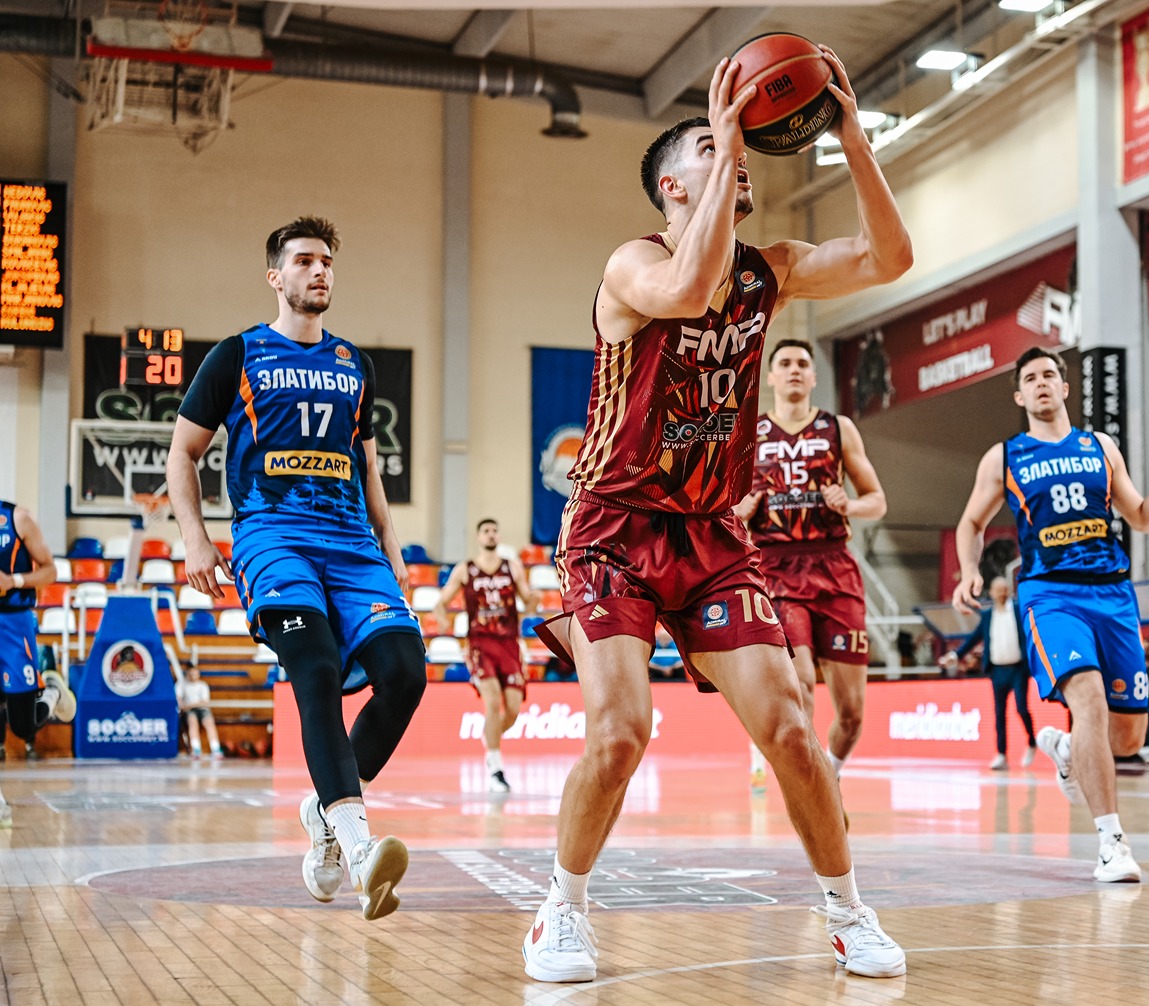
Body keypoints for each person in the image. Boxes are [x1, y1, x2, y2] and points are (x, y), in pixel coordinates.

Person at [525, 50, 912, 983]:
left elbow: (891, 259)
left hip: (711, 535)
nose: (732, 151)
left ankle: (847, 911)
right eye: (709, 145)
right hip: (613, 527)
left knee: (792, 733)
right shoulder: (634, 263)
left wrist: (853, 140)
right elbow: (688, 293)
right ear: (672, 186)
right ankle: (561, 911)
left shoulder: (770, 271)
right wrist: (733, 132)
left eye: (732, 143)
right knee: (621, 733)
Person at [168, 216, 426, 921]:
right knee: (314, 666)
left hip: (352, 544)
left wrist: (393, 546)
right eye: (305, 261)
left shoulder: (355, 364)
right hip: (272, 536)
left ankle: (324, 810)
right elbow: (182, 452)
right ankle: (360, 847)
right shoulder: (237, 354)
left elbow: (368, 467)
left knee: (406, 672)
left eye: (327, 262)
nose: (319, 271)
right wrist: (195, 538)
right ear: (275, 276)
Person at [951, 345, 1149, 883]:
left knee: (1128, 738)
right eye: (1031, 378)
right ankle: (1112, 845)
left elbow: (1140, 516)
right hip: (1051, 595)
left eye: (1049, 375)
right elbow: (971, 522)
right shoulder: (1005, 456)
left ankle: (1067, 749)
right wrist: (969, 570)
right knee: (1087, 699)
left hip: (1112, 593)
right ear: (1020, 396)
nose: (1041, 383)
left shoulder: (1100, 446)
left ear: (1065, 388)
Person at [736, 338, 886, 789]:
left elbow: (877, 501)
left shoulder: (838, 428)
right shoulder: (749, 431)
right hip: (776, 569)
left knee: (852, 714)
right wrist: (738, 511)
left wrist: (849, 505)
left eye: (803, 363)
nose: (795, 370)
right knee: (800, 682)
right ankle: (812, 788)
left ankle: (829, 777)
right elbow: (717, 507)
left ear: (814, 376)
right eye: (785, 363)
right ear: (771, 376)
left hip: (834, 564)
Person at [433, 519, 536, 792]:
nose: (491, 535)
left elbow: (528, 601)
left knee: (513, 709)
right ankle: (495, 768)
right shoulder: (466, 569)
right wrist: (443, 621)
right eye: (486, 531)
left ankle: (491, 738)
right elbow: (440, 603)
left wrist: (534, 600)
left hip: (509, 643)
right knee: (492, 702)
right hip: (480, 643)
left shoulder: (511, 567)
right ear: (478, 537)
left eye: (494, 531)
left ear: (499, 536)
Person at [0, 498, 73, 770]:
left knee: (23, 726)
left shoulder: (17, 518)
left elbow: (50, 571)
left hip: (13, 623)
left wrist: (14, 581)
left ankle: (52, 691)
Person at [938, 575, 1036, 770]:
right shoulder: (988, 615)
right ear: (991, 593)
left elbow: (1031, 634)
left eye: (1005, 589)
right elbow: (973, 639)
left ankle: (1032, 741)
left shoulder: (1018, 610)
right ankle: (1001, 754)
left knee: (1021, 708)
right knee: (999, 713)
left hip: (1018, 668)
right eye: (998, 589)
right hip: (997, 670)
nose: (1002, 593)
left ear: (1009, 590)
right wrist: (955, 655)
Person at [176, 664, 224, 759]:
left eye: (195, 673)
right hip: (189, 711)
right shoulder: (181, 684)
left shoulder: (203, 685)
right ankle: (196, 749)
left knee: (209, 723)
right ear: (187, 674)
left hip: (202, 709)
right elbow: (179, 699)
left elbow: (204, 702)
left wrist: (189, 705)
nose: (193, 675)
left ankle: (215, 749)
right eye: (191, 673)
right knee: (192, 722)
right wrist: (183, 706)